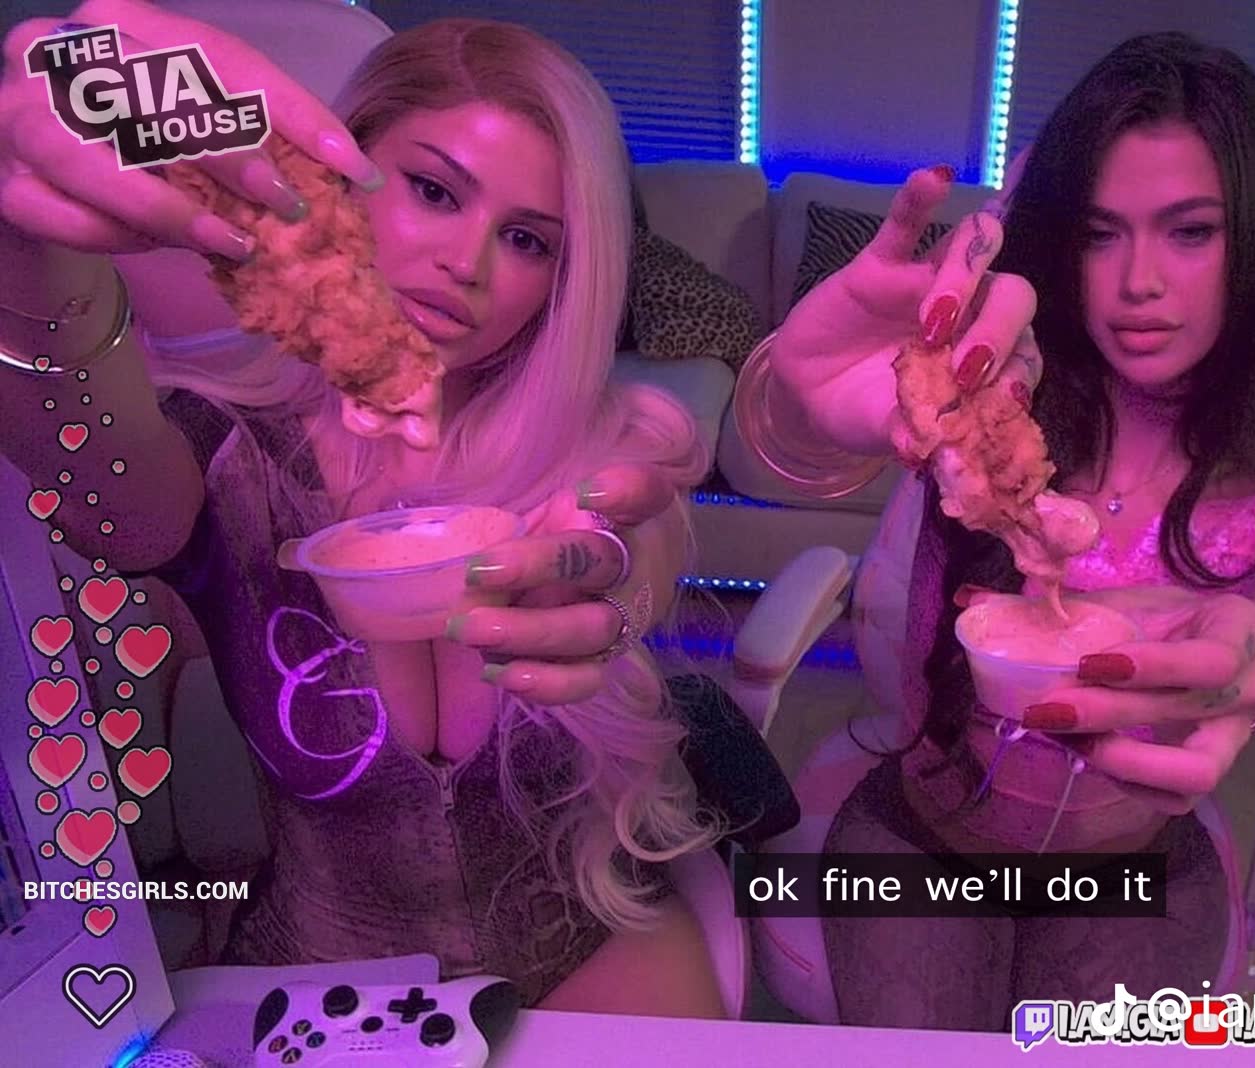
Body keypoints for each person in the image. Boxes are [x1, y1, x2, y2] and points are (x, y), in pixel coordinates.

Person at [0, 5, 725, 1017]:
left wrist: (618, 592)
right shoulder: (228, 453)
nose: (468, 263)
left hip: (596, 953)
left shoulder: (611, 456)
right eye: (434, 191)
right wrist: (28, 245)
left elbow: (629, 585)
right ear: (338, 180)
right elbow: (105, 501)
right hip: (319, 982)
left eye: (525, 239)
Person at [742, 32, 1255, 1030]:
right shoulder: (995, 413)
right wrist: (803, 389)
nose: (1137, 282)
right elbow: (796, 446)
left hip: (1136, 867)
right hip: (920, 837)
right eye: (1097, 234)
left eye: (1189, 232)